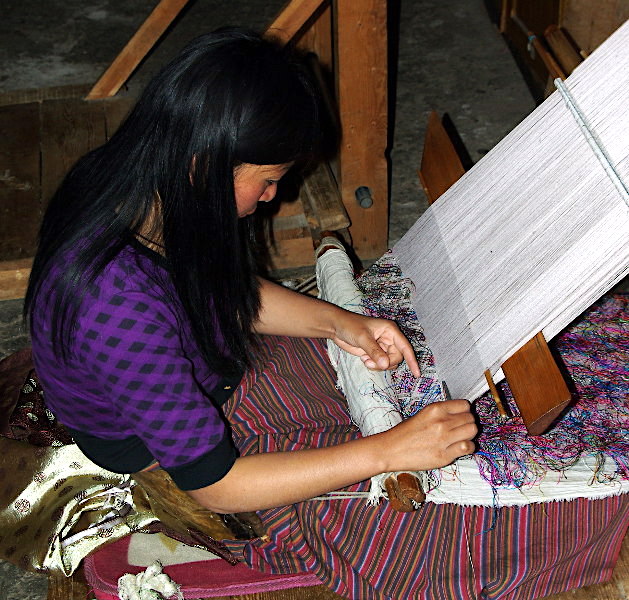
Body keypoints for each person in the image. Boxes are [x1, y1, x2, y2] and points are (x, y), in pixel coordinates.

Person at [24, 28, 476, 592]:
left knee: (350, 380)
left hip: (182, 366)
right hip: (153, 451)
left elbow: (222, 291)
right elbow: (215, 485)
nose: (273, 199)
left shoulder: (147, 189)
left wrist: (340, 322)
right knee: (414, 540)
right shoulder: (114, 304)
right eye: (267, 181)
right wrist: (388, 451)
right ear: (203, 162)